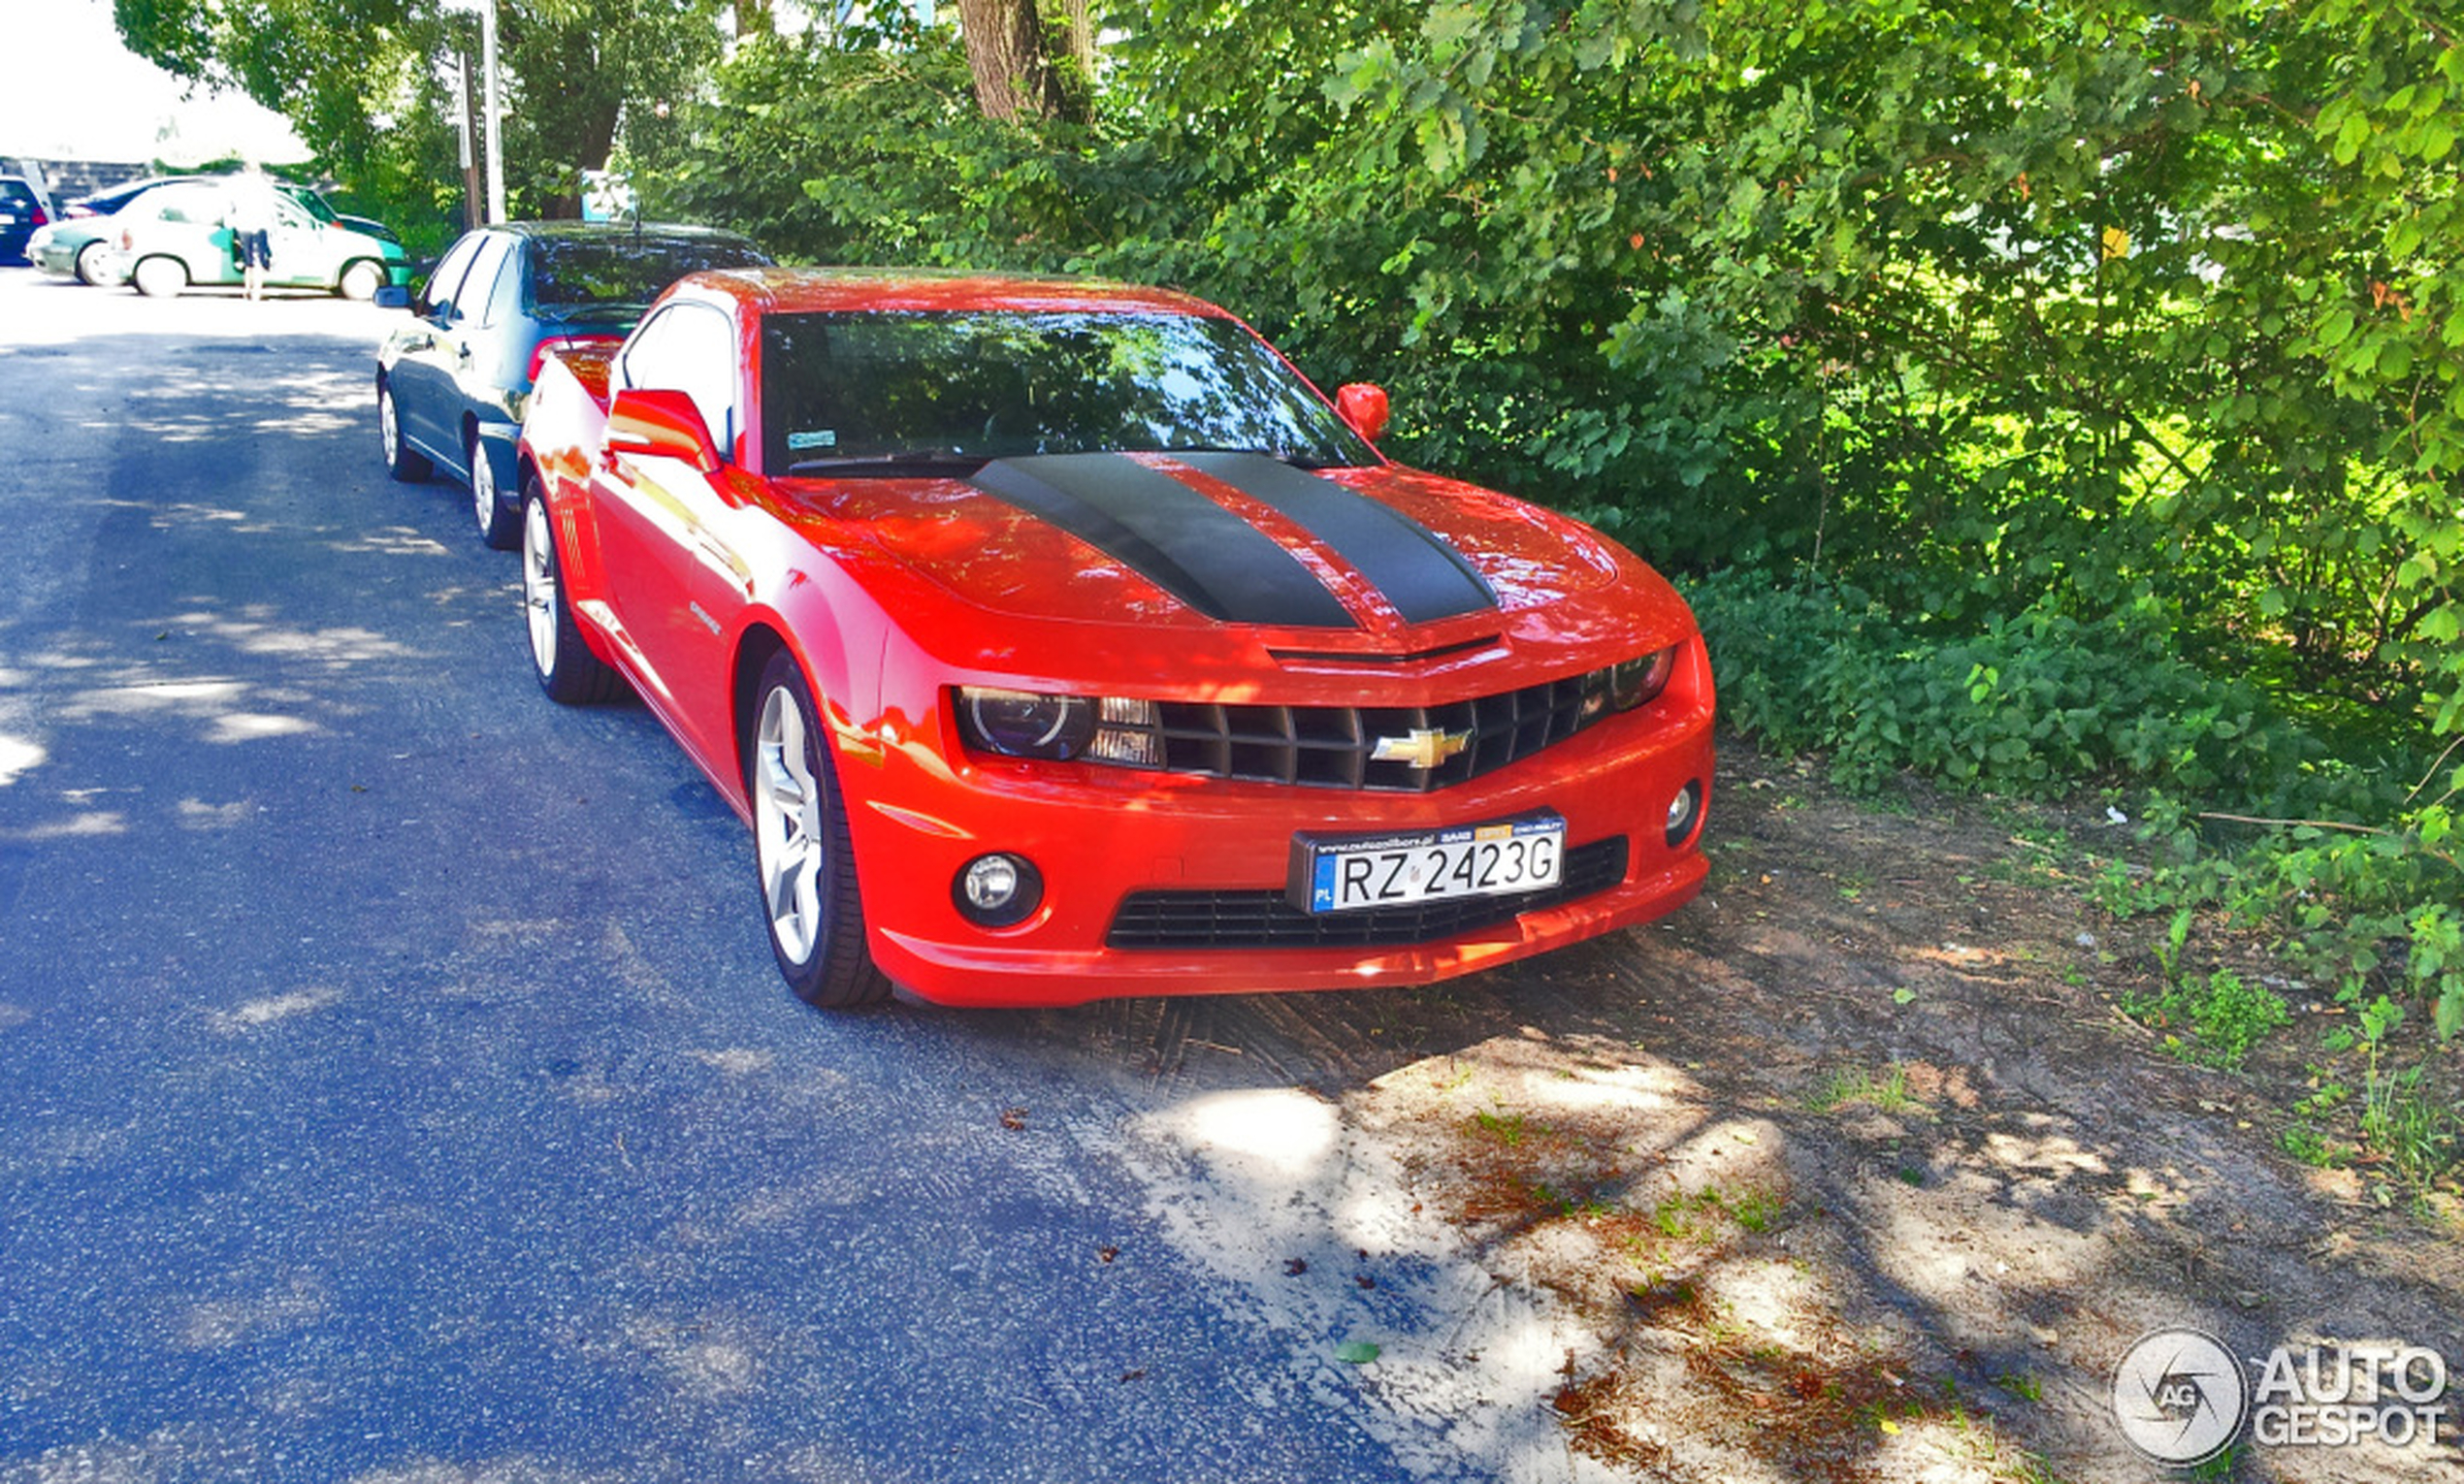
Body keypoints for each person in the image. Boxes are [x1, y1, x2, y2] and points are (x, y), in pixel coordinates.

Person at [225, 173, 281, 302]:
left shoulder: (239, 191)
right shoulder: (263, 190)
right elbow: (271, 211)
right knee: (258, 261)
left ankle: (247, 289)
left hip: (243, 227)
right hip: (258, 227)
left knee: (248, 261)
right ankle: (256, 291)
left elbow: (231, 209)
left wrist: (231, 224)